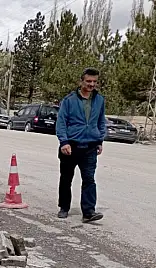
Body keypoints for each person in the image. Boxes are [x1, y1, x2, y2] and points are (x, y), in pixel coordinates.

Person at [56, 67, 106, 223]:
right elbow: (61, 122)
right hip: (70, 147)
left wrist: (99, 140)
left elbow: (101, 121)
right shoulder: (69, 100)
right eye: (88, 81)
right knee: (66, 178)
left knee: (89, 179)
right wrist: (64, 142)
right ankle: (64, 207)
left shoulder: (99, 100)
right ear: (81, 81)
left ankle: (89, 212)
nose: (91, 84)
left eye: (94, 82)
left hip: (90, 147)